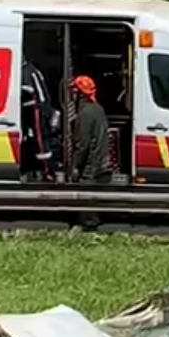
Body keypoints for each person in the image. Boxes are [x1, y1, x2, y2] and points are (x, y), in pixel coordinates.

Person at [68, 74, 111, 230]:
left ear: (80, 93)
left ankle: (88, 226)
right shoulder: (97, 108)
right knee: (94, 195)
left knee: (85, 194)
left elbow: (82, 144)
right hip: (102, 159)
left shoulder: (85, 113)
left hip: (91, 163)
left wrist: (75, 165)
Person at [18, 57, 55, 181]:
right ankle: (41, 168)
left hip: (36, 109)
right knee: (36, 139)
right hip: (36, 108)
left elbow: (30, 92)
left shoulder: (27, 72)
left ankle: (47, 170)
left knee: (40, 140)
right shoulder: (32, 70)